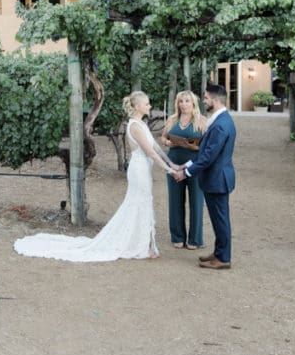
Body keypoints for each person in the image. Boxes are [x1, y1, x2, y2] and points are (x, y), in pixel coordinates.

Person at [14, 91, 178, 262]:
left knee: (143, 202)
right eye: (146, 104)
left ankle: (146, 244)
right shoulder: (135, 126)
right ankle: (145, 245)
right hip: (139, 169)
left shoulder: (142, 124)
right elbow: (149, 151)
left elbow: (157, 148)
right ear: (137, 107)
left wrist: (171, 164)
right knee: (138, 203)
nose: (149, 106)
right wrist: (168, 170)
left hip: (144, 168)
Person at [172, 83, 236, 270]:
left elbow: (208, 156)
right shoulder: (219, 120)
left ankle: (223, 258)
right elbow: (205, 153)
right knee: (218, 219)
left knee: (221, 219)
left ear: (215, 100)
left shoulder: (221, 125)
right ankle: (218, 253)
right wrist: (187, 164)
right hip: (215, 177)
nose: (204, 101)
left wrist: (186, 173)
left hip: (217, 179)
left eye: (206, 98)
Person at [160, 90, 207, 250]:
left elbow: (207, 145)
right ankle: (177, 237)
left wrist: (194, 145)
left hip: (194, 164)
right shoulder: (172, 119)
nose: (184, 104)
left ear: (193, 103)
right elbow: (163, 137)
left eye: (187, 101)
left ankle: (195, 239)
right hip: (173, 163)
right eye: (181, 101)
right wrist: (168, 143)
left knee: (196, 201)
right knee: (175, 201)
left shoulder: (202, 121)